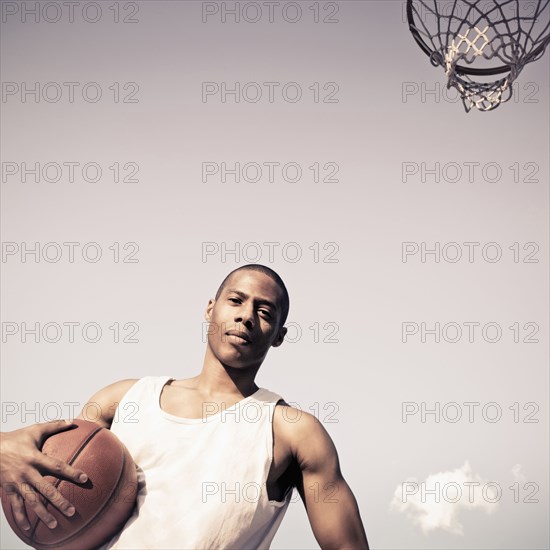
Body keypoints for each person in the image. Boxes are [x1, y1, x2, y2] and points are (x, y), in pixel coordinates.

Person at [1, 264, 370, 549]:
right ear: (211, 309)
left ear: (279, 336)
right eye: (236, 300)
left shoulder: (293, 431)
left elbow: (346, 545)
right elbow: (58, 470)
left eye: (265, 311)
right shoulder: (121, 399)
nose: (245, 316)